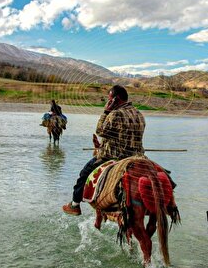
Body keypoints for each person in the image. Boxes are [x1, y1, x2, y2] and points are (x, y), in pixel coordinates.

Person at [62, 85, 146, 215]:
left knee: (84, 174)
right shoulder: (139, 113)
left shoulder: (115, 113)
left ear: (115, 100)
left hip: (114, 156)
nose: (108, 101)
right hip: (137, 156)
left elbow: (100, 131)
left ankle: (75, 204)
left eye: (109, 99)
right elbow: (122, 136)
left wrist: (106, 112)